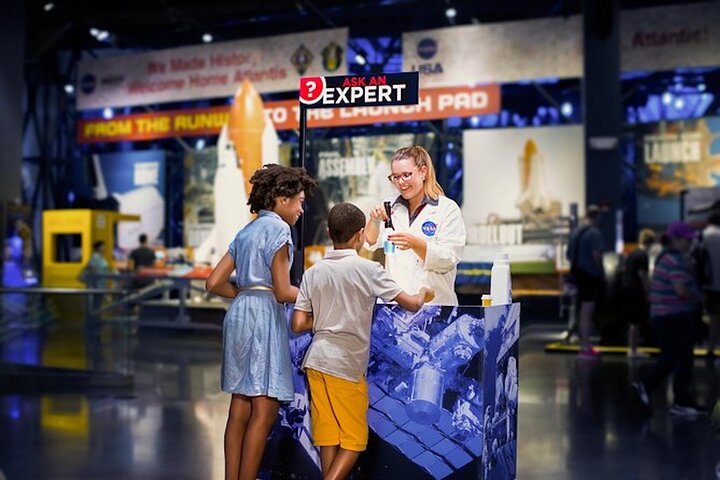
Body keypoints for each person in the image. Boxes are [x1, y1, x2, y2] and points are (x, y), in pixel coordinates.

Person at [291, 202, 432, 480]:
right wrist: (425, 293)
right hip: (345, 366)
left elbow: (297, 324)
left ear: (329, 232)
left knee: (328, 436)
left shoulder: (313, 272)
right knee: (354, 441)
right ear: (359, 234)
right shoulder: (369, 270)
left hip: (316, 362)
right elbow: (412, 304)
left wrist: (327, 319)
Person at [205, 164, 318, 480]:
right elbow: (282, 290)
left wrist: (246, 292)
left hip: (239, 313)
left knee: (239, 407)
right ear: (282, 200)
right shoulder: (280, 230)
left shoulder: (246, 231)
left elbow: (213, 282)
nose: (301, 210)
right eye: (299, 202)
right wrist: (317, 297)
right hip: (264, 317)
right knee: (265, 411)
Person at [364, 146, 466, 306]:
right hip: (396, 308)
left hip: (435, 306)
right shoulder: (390, 205)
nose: (401, 182)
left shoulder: (447, 209)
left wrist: (416, 244)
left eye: (406, 175)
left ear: (423, 172)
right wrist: (374, 221)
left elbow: (449, 258)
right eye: (395, 177)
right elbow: (370, 243)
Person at [632, 221, 704, 416]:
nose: (689, 244)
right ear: (676, 239)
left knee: (672, 356)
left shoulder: (665, 258)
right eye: (687, 240)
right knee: (682, 358)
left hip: (663, 314)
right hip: (674, 315)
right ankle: (680, 401)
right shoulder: (675, 260)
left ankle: (648, 387)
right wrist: (698, 296)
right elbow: (681, 290)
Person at [565, 205, 606, 357]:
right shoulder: (594, 233)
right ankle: (585, 346)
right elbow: (597, 255)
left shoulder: (575, 232)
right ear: (597, 216)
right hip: (590, 275)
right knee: (587, 312)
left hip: (577, 275)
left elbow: (568, 255)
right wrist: (601, 273)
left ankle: (582, 343)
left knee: (580, 310)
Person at [621, 228, 656, 358]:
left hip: (627, 289)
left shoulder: (632, 253)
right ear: (650, 243)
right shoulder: (643, 256)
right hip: (636, 291)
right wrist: (648, 291)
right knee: (636, 322)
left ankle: (632, 348)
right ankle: (633, 350)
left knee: (633, 322)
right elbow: (643, 276)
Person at [702, 211, 720, 360]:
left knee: (712, 317)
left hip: (705, 284)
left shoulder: (702, 236)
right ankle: (712, 347)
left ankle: (708, 347)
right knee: (716, 318)